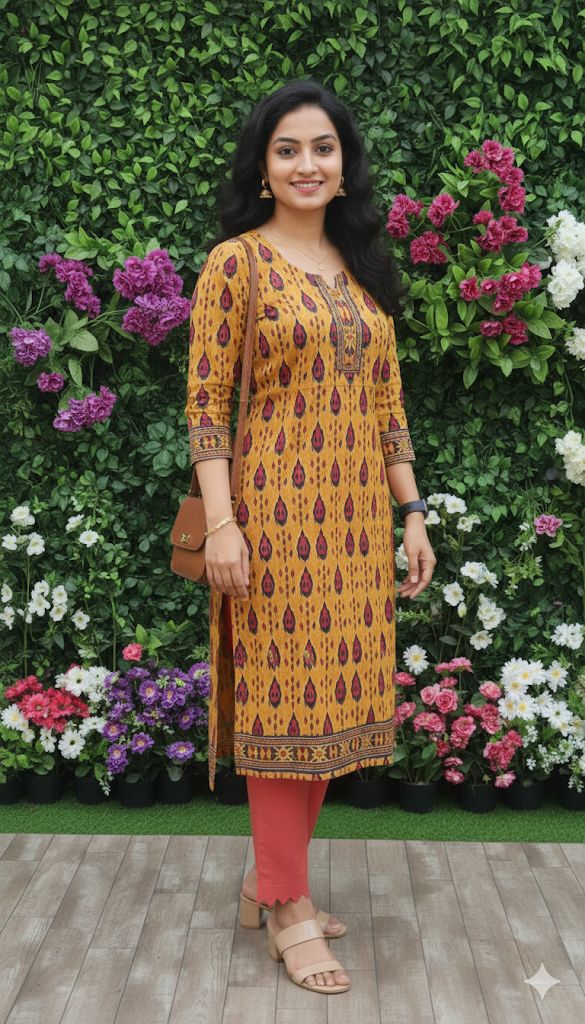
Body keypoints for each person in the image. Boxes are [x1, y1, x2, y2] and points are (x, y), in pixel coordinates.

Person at [185, 79, 436, 995]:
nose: (306, 164)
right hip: (273, 525)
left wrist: (413, 513)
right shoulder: (236, 265)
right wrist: (223, 524)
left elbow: (387, 407)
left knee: (328, 709)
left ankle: (268, 880)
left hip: (356, 527)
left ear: (343, 165)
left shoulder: (361, 268)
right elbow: (206, 407)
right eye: (286, 149)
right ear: (262, 167)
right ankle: (288, 907)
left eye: (321, 148)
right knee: (282, 706)